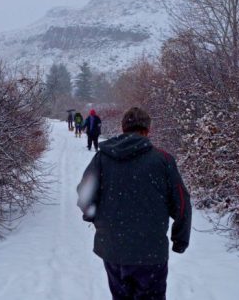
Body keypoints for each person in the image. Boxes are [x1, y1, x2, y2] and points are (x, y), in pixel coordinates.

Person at [77, 107, 192, 300]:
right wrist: (180, 239)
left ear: (123, 128)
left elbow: (84, 196)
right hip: (151, 253)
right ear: (148, 130)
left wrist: (93, 217)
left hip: (113, 250)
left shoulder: (103, 158)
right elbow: (181, 203)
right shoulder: (163, 160)